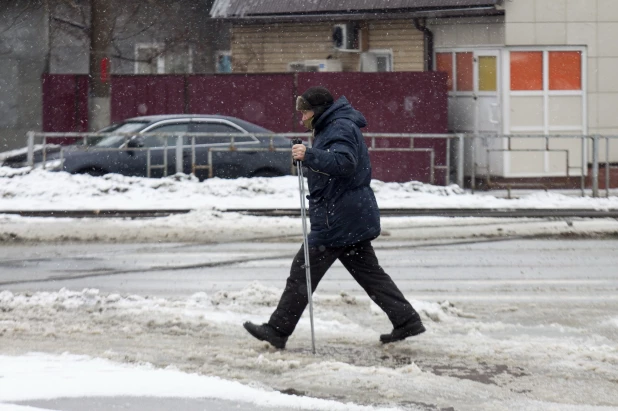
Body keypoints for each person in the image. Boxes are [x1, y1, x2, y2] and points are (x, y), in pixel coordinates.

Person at [243, 86, 424, 349]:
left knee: (302, 271)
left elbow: (344, 163)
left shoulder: (338, 128)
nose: (301, 118)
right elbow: (333, 166)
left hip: (336, 218)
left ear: (317, 111)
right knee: (370, 274)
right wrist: (309, 159)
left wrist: (310, 155)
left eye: (304, 112)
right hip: (347, 214)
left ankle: (278, 330)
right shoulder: (333, 126)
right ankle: (406, 320)